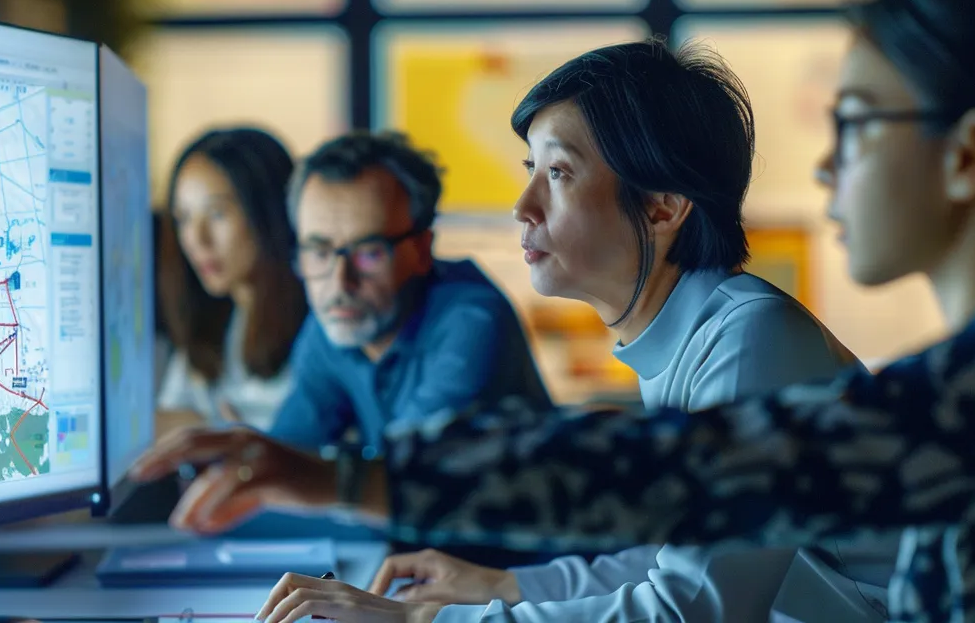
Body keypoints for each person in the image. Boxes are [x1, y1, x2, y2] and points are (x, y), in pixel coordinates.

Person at [133, 0, 975, 621]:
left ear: (972, 155)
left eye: (861, 123)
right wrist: (497, 586)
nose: (823, 164)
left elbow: (693, 545)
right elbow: (678, 512)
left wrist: (393, 556)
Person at [363, 40, 874, 622]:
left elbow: (688, 611)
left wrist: (423, 621)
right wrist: (500, 584)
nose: (523, 207)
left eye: (558, 173)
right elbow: (671, 561)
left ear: (662, 206)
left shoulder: (753, 339)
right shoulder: (692, 336)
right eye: (532, 170)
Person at [265, 131, 552, 453]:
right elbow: (284, 455)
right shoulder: (336, 320)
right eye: (319, 252)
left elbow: (402, 470)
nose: (340, 282)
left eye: (369, 252)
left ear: (421, 250)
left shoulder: (471, 320)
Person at [155, 128, 308, 431]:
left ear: (268, 212)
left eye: (217, 213)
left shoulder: (320, 326)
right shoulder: (212, 319)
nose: (197, 239)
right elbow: (165, 421)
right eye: (184, 218)